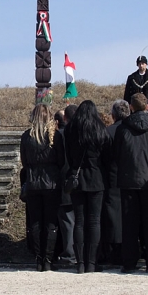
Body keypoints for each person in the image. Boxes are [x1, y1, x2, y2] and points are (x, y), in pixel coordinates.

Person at [114, 93, 148, 273]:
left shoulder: (122, 129)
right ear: (147, 107)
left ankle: (129, 263)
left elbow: (117, 154)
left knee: (129, 225)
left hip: (128, 180)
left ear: (131, 107)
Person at [65, 101, 111, 274]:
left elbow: (69, 155)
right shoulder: (100, 129)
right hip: (96, 178)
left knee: (79, 220)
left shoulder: (70, 130)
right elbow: (106, 157)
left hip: (76, 178)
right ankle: (92, 262)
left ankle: (80, 263)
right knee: (94, 221)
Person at [20, 104, 65, 271]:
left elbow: (24, 162)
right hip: (52, 182)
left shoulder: (27, 136)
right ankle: (48, 259)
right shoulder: (55, 136)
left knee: (36, 222)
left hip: (33, 182)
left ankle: (38, 259)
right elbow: (61, 160)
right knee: (51, 222)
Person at [101, 99, 130, 266]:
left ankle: (113, 251)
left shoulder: (108, 132)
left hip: (111, 177)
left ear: (113, 115)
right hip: (131, 176)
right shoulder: (131, 130)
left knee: (112, 215)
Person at [56, 104, 77, 266]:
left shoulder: (60, 136)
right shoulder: (84, 132)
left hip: (64, 181)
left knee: (68, 221)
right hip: (82, 181)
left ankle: (70, 254)